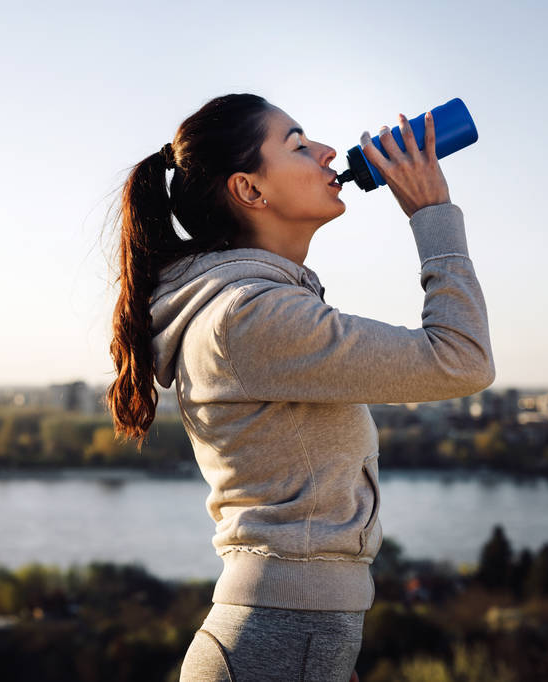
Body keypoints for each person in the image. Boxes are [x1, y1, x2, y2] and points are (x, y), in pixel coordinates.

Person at [104, 93, 494, 681]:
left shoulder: (259, 307)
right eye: (299, 145)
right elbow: (462, 360)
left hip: (290, 638)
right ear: (250, 190)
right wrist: (432, 212)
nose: (330, 152)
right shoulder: (251, 317)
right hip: (280, 638)